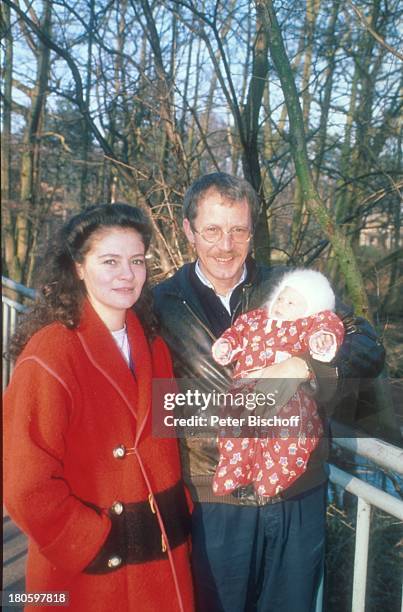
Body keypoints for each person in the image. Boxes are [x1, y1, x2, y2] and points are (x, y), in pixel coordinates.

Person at [153, 173, 385, 612]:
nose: (226, 245)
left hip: (297, 493)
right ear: (188, 229)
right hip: (216, 500)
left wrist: (303, 367)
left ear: (252, 231)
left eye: (239, 230)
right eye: (213, 230)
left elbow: (367, 345)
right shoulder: (161, 303)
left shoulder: (291, 288)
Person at [3, 204, 194, 612]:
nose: (127, 274)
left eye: (137, 261)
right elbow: (24, 484)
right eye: (110, 261)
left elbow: (163, 444)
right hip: (91, 574)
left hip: (162, 563)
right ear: (78, 267)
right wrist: (89, 540)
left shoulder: (154, 345)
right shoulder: (50, 354)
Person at [211, 269, 345, 498]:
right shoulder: (255, 319)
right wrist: (226, 346)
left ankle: (273, 476)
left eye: (291, 302)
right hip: (245, 391)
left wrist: (321, 341)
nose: (282, 304)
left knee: (290, 435)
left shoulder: (307, 325)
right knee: (234, 431)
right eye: (281, 297)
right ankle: (233, 469)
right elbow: (237, 333)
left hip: (290, 398)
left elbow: (331, 325)